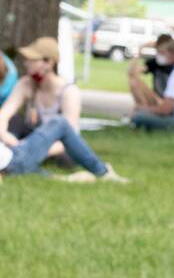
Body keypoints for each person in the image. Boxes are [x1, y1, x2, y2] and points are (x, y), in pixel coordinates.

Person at [0, 35, 84, 168]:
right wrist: (4, 135)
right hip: (33, 137)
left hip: (58, 144)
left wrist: (33, 149)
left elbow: (70, 135)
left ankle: (22, 156)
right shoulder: (26, 84)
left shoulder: (69, 92)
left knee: (68, 158)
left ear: (48, 62)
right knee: (14, 120)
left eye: (32, 59)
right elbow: (4, 115)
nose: (26, 63)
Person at [0, 114, 127, 182]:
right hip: (14, 159)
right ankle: (102, 171)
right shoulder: (25, 84)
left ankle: (63, 179)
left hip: (11, 159)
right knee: (59, 123)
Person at [128, 32, 174, 109]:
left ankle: (144, 110)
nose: (160, 53)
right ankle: (144, 109)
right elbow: (132, 73)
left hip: (170, 102)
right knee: (134, 82)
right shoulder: (155, 63)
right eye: (159, 50)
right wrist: (140, 50)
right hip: (157, 99)